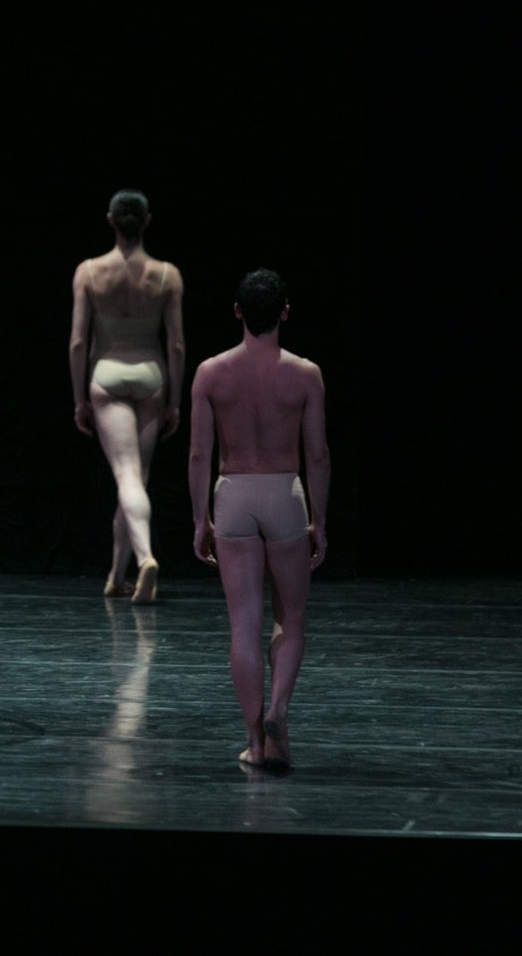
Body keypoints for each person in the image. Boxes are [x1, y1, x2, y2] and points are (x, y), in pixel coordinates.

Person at [189, 269, 328, 769]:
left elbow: (199, 456)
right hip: (283, 491)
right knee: (290, 616)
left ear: (237, 311)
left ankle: (255, 740)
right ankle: (279, 710)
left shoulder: (210, 372)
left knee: (243, 625)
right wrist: (322, 522)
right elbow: (317, 455)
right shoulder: (306, 374)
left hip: (234, 492)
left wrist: (199, 518)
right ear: (285, 312)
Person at [70, 189, 184, 603]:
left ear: (110, 220)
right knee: (136, 476)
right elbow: (176, 345)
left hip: (109, 370)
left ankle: (143, 558)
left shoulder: (89, 271)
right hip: (150, 373)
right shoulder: (167, 275)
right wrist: (173, 399)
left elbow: (79, 341)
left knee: (126, 476)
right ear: (147, 221)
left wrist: (79, 395)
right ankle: (117, 575)